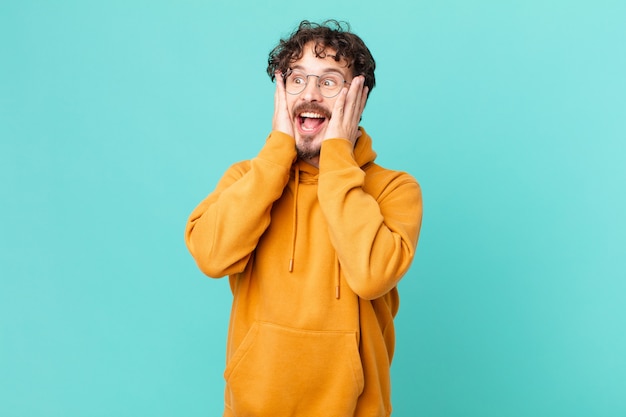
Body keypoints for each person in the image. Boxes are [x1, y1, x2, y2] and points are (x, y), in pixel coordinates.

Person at [185, 19, 423, 417]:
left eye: (329, 82)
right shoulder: (247, 179)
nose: (310, 94)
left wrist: (337, 161)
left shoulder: (393, 190)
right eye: (297, 79)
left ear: (358, 99)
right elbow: (211, 256)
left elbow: (371, 275)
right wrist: (277, 154)